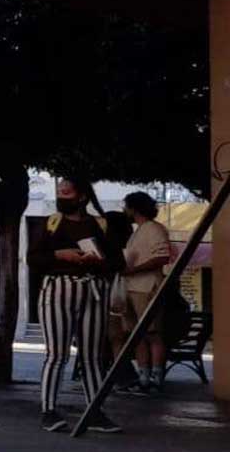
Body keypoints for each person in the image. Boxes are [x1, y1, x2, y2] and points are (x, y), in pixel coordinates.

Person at [29, 178, 123, 432]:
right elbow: (33, 259)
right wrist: (59, 255)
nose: (62, 196)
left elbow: (117, 262)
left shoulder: (100, 225)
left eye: (67, 192)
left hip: (92, 289)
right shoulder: (51, 223)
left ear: (82, 197)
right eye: (60, 192)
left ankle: (94, 410)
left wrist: (96, 261)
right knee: (57, 354)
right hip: (61, 288)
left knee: (92, 355)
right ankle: (48, 410)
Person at [118, 192, 173, 395]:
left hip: (148, 287)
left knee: (152, 333)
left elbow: (162, 257)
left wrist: (133, 269)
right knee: (136, 335)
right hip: (132, 287)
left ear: (135, 208)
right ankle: (143, 377)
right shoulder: (138, 231)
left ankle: (156, 378)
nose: (124, 210)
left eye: (126, 206)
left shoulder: (154, 229)